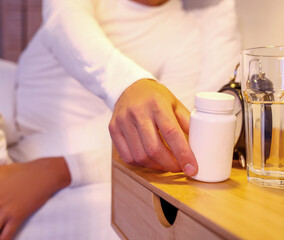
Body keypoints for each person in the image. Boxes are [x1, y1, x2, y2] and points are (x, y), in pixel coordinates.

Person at [0, 0, 240, 239]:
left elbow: (162, 139)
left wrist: (59, 170)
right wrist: (129, 85)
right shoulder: (75, 12)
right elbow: (63, 20)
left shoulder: (187, 35)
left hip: (79, 168)